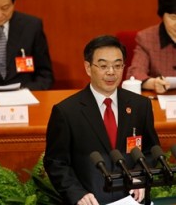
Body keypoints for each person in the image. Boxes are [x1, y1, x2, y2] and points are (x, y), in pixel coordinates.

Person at [43, 35, 160, 204]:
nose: (111, 72)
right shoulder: (67, 111)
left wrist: (140, 177)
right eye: (104, 65)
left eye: (117, 65)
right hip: (91, 200)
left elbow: (150, 150)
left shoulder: (140, 106)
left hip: (132, 199)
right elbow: (56, 162)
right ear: (88, 67)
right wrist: (77, 194)